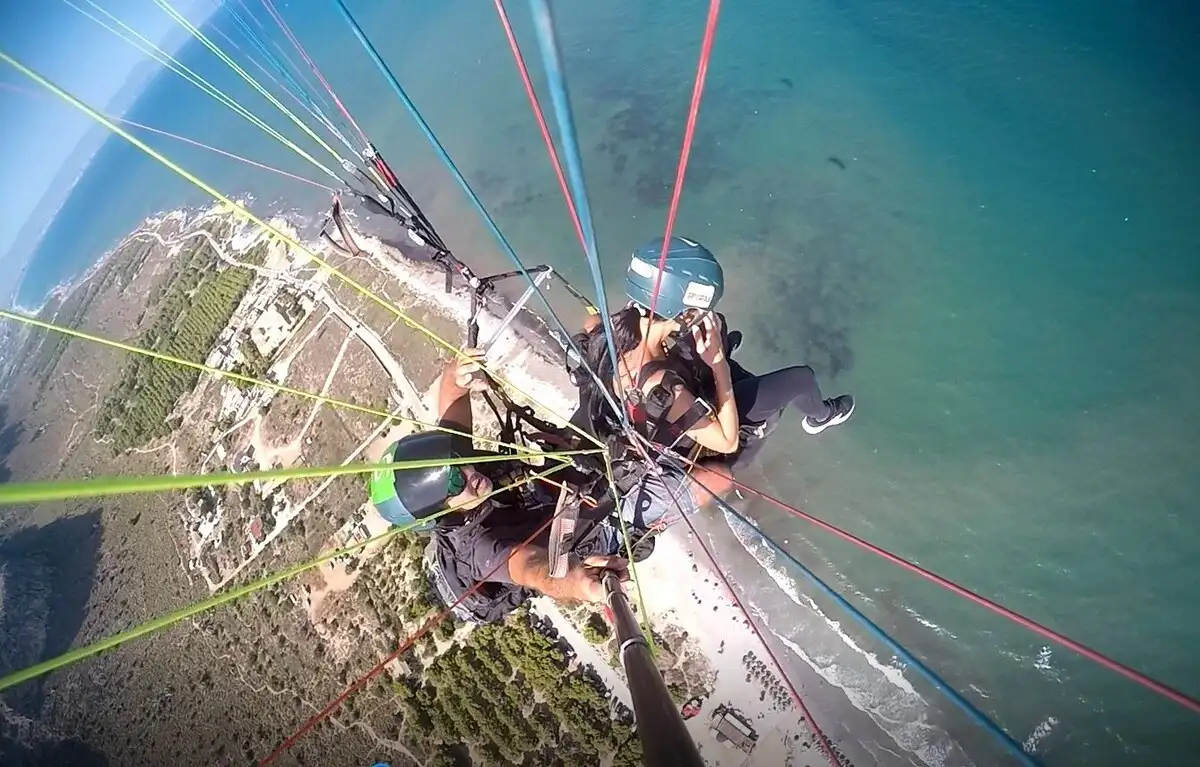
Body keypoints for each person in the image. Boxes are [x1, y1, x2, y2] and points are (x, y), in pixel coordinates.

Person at [579, 236, 855, 526]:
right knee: (801, 379)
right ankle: (821, 416)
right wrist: (719, 363)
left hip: (668, 408)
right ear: (681, 312)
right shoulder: (662, 386)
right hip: (708, 431)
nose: (701, 317)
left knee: (719, 327)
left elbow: (591, 323)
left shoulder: (610, 331)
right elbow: (725, 440)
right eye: (697, 313)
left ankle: (728, 356)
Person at [368, 350, 628, 624]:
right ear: (445, 513)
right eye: (456, 481)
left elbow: (452, 398)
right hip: (543, 533)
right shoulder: (480, 550)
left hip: (529, 501)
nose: (469, 472)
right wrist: (577, 582)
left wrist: (458, 374)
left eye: (458, 463)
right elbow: (531, 569)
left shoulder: (454, 469)